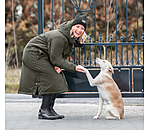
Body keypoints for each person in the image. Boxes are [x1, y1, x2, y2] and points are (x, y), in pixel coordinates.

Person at [18, 13, 87, 120]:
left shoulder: (69, 38)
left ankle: (49, 109)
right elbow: (56, 58)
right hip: (34, 54)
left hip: (45, 56)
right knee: (52, 78)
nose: (79, 30)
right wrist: (74, 67)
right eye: (77, 26)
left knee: (58, 78)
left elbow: (57, 56)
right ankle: (43, 110)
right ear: (72, 26)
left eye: (82, 28)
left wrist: (57, 65)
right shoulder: (59, 37)